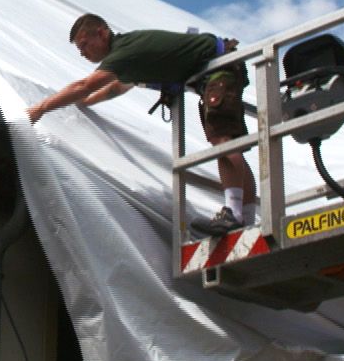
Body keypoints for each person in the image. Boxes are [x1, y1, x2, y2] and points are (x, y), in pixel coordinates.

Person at [27, 13, 258, 238]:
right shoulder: (130, 52)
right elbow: (117, 87)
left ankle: (234, 215)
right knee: (227, 143)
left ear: (102, 32)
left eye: (85, 45)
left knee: (222, 141)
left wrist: (40, 109)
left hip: (218, 69)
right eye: (79, 49)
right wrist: (86, 103)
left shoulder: (124, 53)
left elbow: (86, 84)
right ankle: (244, 218)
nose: (83, 53)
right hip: (217, 70)